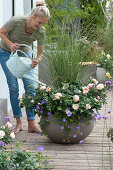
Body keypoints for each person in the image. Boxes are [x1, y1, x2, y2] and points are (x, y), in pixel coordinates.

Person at [0, 0, 50, 134]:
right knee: (14, 87)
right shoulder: (17, 21)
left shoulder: (41, 32)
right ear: (33, 16)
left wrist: (36, 61)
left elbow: (40, 54)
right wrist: (10, 44)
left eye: (43, 24)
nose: (40, 26)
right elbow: (1, 32)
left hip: (24, 55)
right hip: (6, 53)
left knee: (30, 88)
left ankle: (31, 123)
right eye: (39, 23)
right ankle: (18, 123)